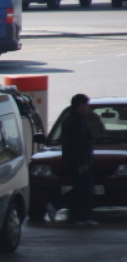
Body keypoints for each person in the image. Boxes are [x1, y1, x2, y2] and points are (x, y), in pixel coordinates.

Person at [55, 93, 97, 226]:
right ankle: (82, 216)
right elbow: (79, 144)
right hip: (79, 162)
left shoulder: (73, 119)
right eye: (85, 105)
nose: (87, 108)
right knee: (85, 189)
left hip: (75, 161)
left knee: (81, 189)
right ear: (79, 105)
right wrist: (83, 163)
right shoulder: (76, 121)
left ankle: (78, 214)